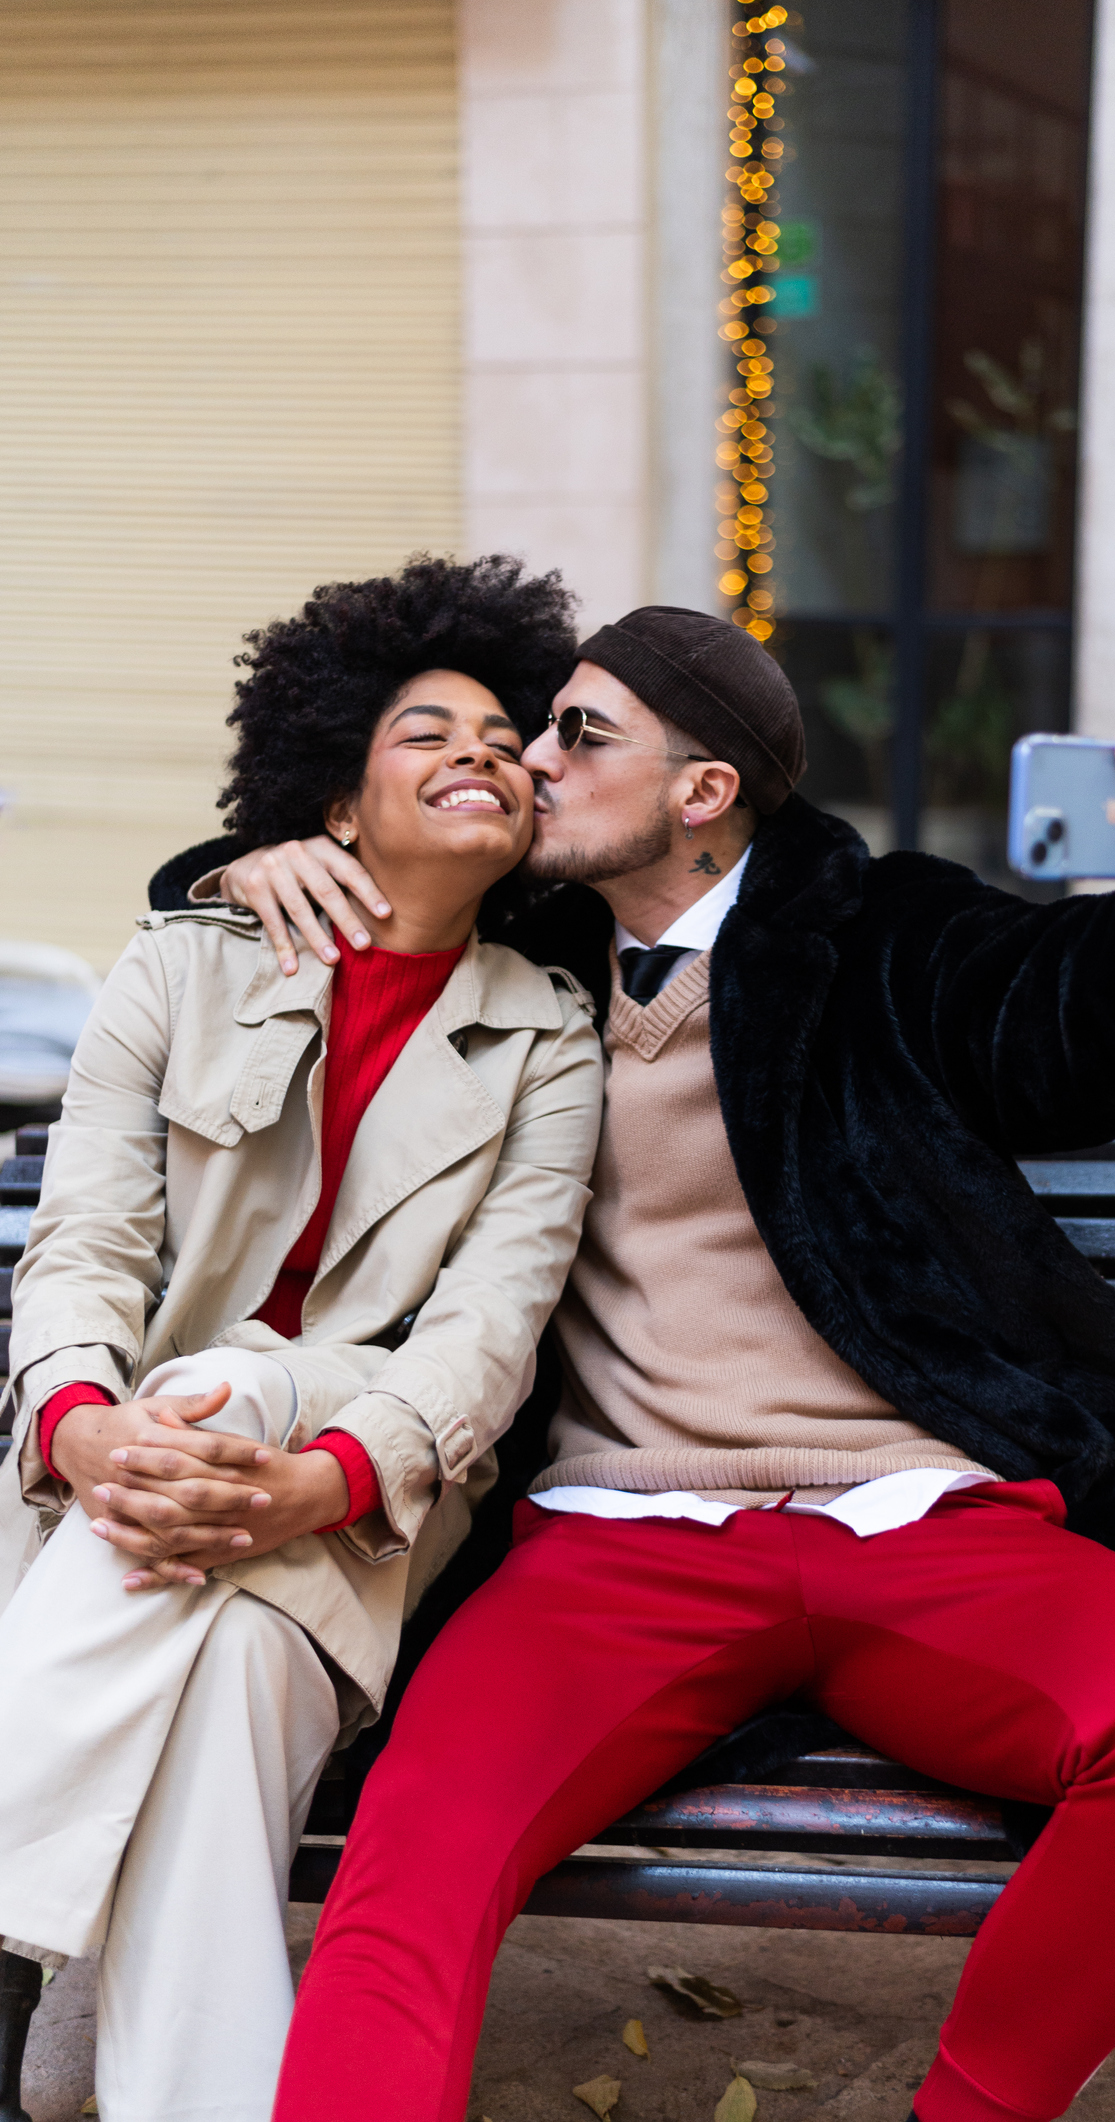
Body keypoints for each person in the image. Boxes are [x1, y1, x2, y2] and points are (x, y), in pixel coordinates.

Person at [149, 607, 1115, 2122]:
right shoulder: (520, 943)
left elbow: (1072, 1012)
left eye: (580, 735)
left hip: (921, 1522)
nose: (529, 761)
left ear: (701, 792)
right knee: (410, 1857)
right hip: (614, 1546)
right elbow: (294, 921)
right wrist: (236, 875)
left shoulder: (884, 930)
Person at [0, 556, 604, 2122]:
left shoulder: (549, 1035)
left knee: (226, 1381)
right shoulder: (181, 965)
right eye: (427, 731)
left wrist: (320, 1478)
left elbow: (487, 1331)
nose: (481, 749)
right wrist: (78, 1426)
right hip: (125, 1472)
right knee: (243, 1672)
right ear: (334, 803)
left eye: (503, 735)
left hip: (366, 1490)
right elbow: (84, 1245)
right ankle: (118, 2052)